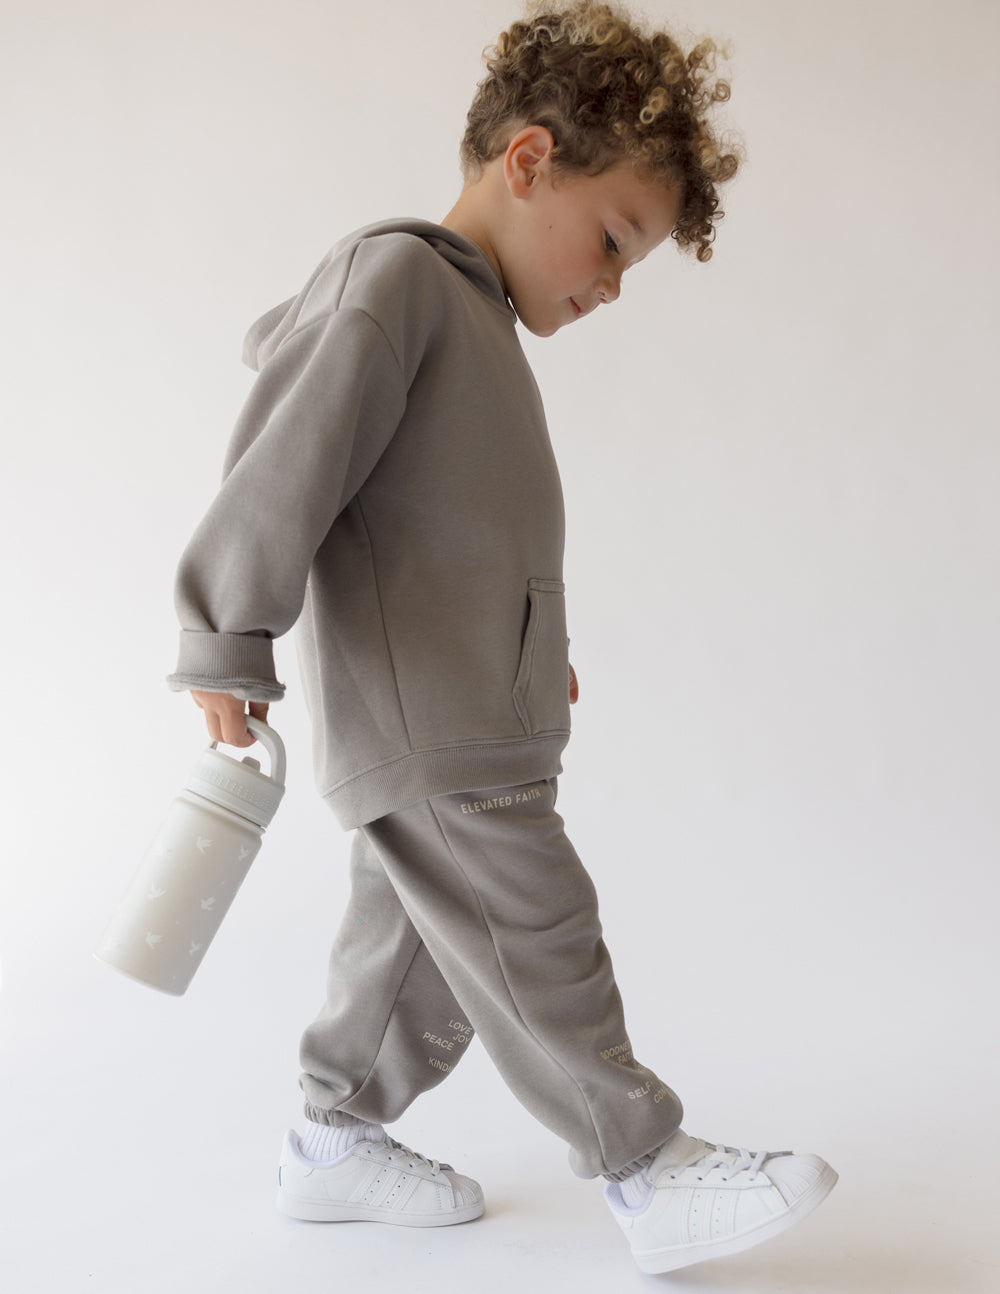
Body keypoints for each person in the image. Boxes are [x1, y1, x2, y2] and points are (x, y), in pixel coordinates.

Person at [166, 1, 836, 1275]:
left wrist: (529, 643)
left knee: (415, 950)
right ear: (528, 160)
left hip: (471, 703)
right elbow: (287, 462)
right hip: (435, 720)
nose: (612, 284)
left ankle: (330, 1137)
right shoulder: (399, 284)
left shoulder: (471, 319)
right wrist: (224, 641)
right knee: (536, 931)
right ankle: (645, 1169)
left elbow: (455, 526)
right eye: (612, 238)